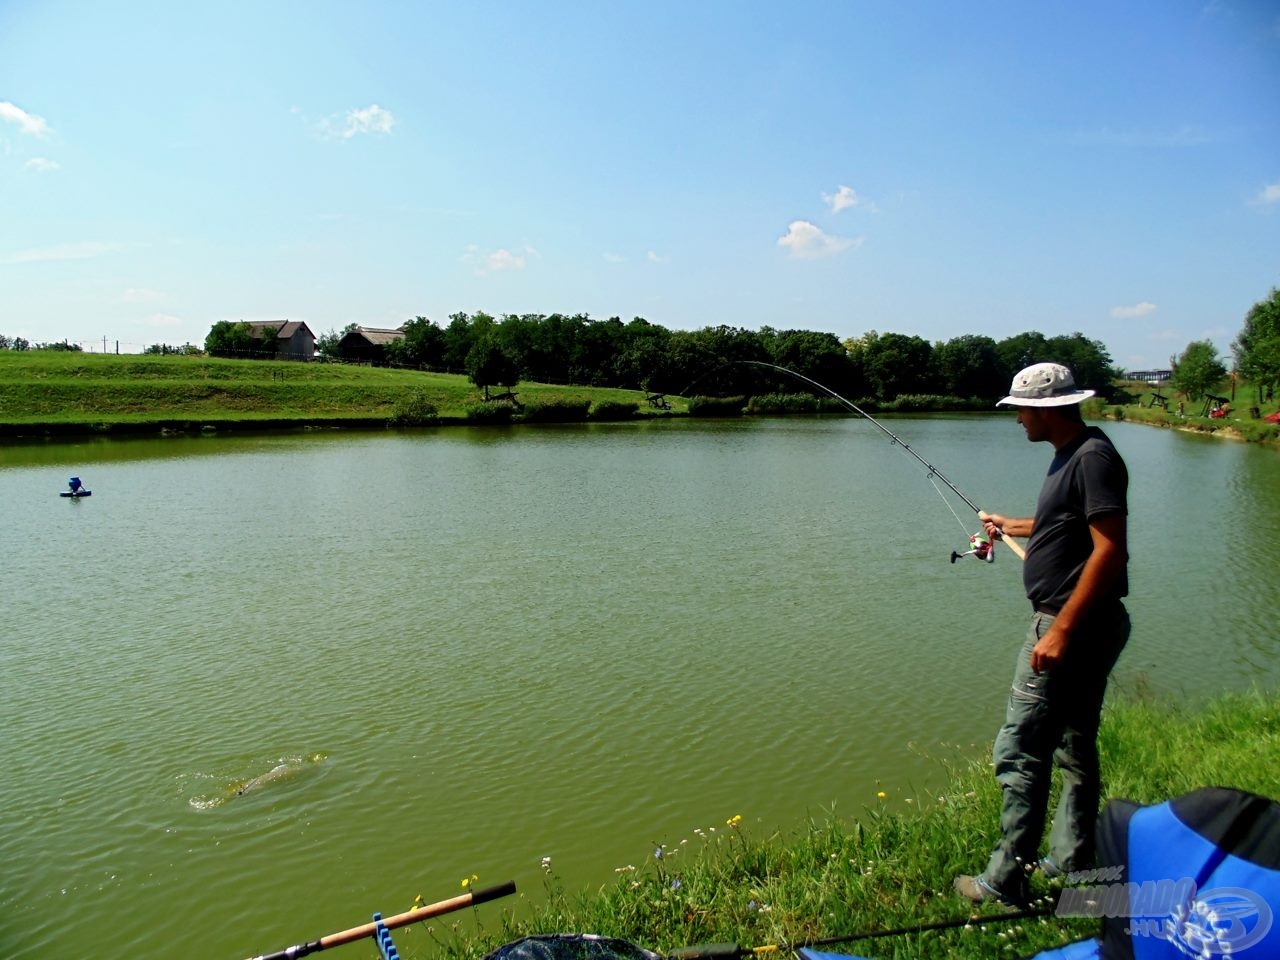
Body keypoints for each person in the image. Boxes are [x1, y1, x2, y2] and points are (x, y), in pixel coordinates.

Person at [954, 362, 1130, 908]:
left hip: (1067, 625)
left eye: (1021, 409)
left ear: (1049, 408)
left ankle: (1005, 881)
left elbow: (1109, 550)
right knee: (1075, 745)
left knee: (1021, 747)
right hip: (1077, 623)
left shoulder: (1093, 458)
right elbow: (1065, 523)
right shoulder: (1073, 454)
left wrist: (1061, 631)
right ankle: (1072, 859)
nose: (1018, 420)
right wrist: (1014, 525)